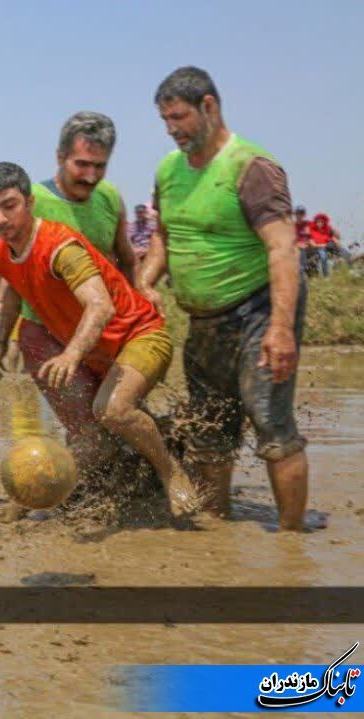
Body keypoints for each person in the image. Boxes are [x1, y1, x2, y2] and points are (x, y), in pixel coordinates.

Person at [0, 162, 198, 518]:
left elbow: (100, 306)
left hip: (141, 336)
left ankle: (172, 473)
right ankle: (31, 499)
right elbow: (15, 290)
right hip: (97, 352)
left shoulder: (61, 247)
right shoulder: (0, 252)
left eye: (10, 206)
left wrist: (71, 353)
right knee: (89, 434)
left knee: (112, 410)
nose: (0, 218)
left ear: (29, 202)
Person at [138, 66, 308, 531]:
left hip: (258, 309)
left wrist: (280, 328)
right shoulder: (169, 170)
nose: (173, 130)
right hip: (204, 320)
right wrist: (147, 280)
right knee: (210, 430)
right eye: (165, 121)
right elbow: (163, 239)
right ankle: (218, 529)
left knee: (270, 421)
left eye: (179, 118)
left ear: (209, 106)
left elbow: (282, 248)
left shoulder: (252, 168)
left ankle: (293, 543)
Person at [6, 112, 138, 470]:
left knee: (116, 420)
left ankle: (94, 492)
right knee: (86, 428)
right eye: (82, 164)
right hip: (46, 334)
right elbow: (2, 271)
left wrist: (136, 315)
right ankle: (49, 497)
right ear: (59, 157)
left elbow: (126, 259)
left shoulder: (110, 198)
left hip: (101, 330)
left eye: (100, 165)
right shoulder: (29, 201)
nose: (91, 175)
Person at [307, 213, 340, 278]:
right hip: (319, 248)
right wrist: (323, 245)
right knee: (323, 257)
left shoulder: (327, 229)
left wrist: (337, 241)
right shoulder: (312, 230)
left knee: (343, 252)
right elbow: (313, 244)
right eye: (318, 221)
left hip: (329, 247)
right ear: (315, 222)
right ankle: (326, 276)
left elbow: (334, 237)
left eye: (321, 222)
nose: (319, 223)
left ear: (324, 222)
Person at [293, 205, 311, 274]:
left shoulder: (308, 224)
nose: (300, 215)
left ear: (304, 214)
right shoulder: (292, 225)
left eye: (302, 213)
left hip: (308, 245)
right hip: (297, 246)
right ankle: (303, 269)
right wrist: (298, 244)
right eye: (298, 213)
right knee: (301, 250)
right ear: (295, 214)